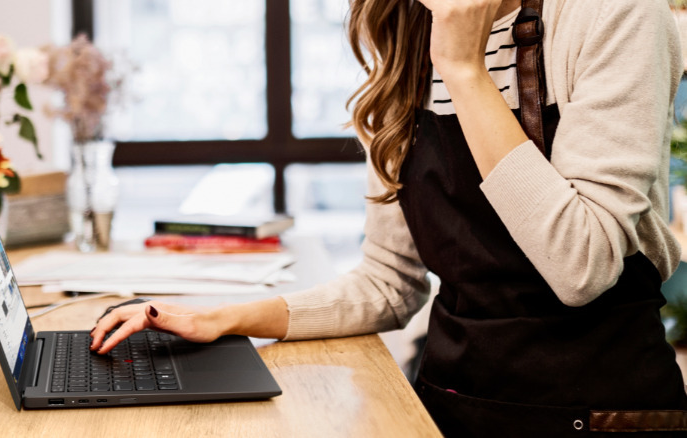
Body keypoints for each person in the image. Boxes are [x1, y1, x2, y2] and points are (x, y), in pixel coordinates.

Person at [90, 0, 687, 435]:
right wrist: (226, 317)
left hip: (603, 413)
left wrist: (464, 68)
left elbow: (582, 265)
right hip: (449, 405)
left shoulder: (614, 15)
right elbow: (389, 284)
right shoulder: (406, 32)